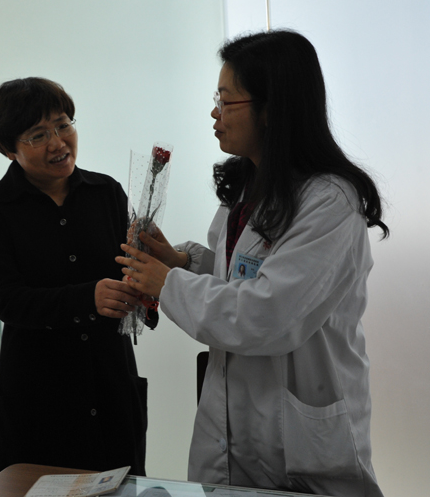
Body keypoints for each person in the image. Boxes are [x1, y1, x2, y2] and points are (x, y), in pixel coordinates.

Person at [113, 31, 387, 497]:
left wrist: (167, 283)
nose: (214, 113)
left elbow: (268, 314)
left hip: (301, 437)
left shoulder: (330, 201)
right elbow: (238, 277)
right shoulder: (250, 184)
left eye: (225, 101)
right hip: (234, 422)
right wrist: (180, 262)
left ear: (271, 108)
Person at [0, 78, 148, 478]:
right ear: (10, 149)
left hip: (110, 382)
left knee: (121, 484)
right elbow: (7, 300)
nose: (58, 142)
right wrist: (88, 298)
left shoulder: (106, 192)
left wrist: (145, 289)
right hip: (41, 392)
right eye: (38, 135)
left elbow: (130, 270)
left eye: (63, 125)